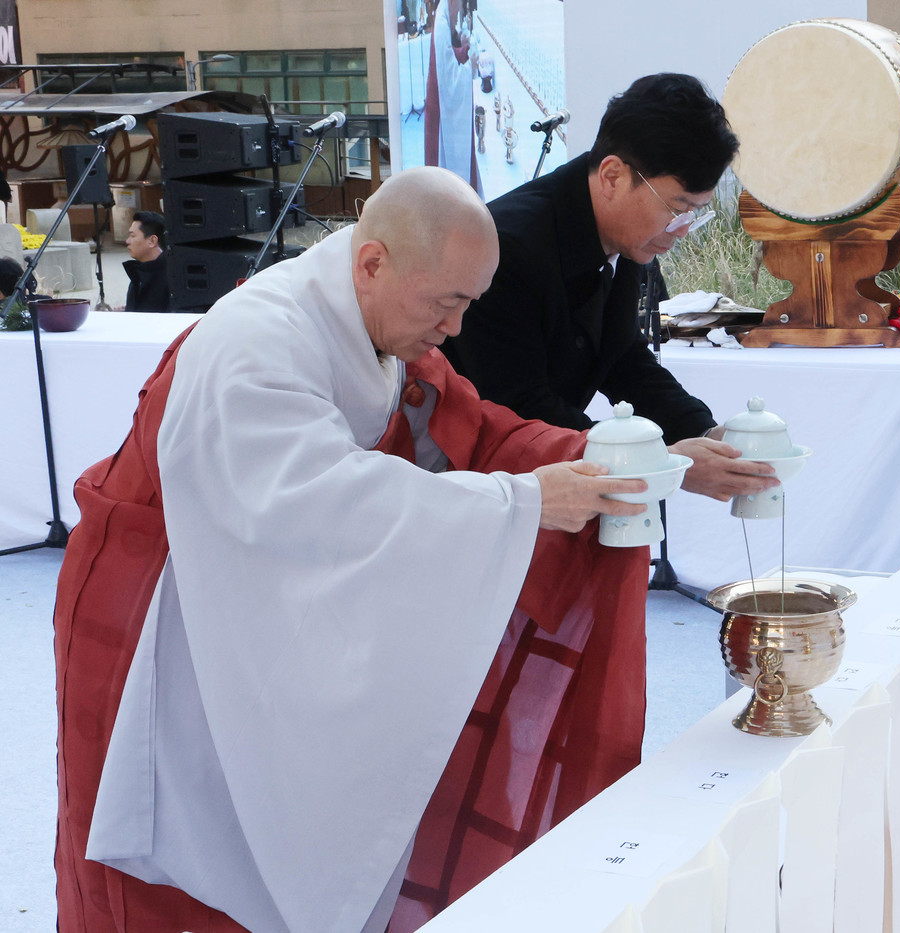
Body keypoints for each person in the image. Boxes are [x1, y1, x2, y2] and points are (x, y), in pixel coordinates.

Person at [54, 167, 656, 932]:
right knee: (167, 879)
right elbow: (321, 504)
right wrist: (527, 501)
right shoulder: (255, 343)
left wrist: (614, 459)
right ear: (372, 262)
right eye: (449, 303)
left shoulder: (374, 317)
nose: (458, 328)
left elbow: (473, 430)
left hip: (240, 607)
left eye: (471, 303)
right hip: (151, 621)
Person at [441, 73, 777, 502]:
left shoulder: (627, 235)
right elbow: (518, 406)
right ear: (613, 176)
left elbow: (622, 359)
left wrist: (706, 432)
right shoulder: (508, 247)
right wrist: (665, 462)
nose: (683, 230)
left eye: (696, 212)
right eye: (677, 208)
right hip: (478, 485)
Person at [423, 0, 483, 195]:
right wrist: (469, 66)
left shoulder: (443, 17)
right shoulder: (440, 23)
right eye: (458, 4)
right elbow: (448, 76)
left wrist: (462, 47)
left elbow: (448, 53)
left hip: (437, 100)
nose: (459, 9)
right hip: (441, 108)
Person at [121, 210, 171, 311]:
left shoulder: (170, 277)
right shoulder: (140, 272)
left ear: (152, 241)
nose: (127, 241)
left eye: (133, 235)